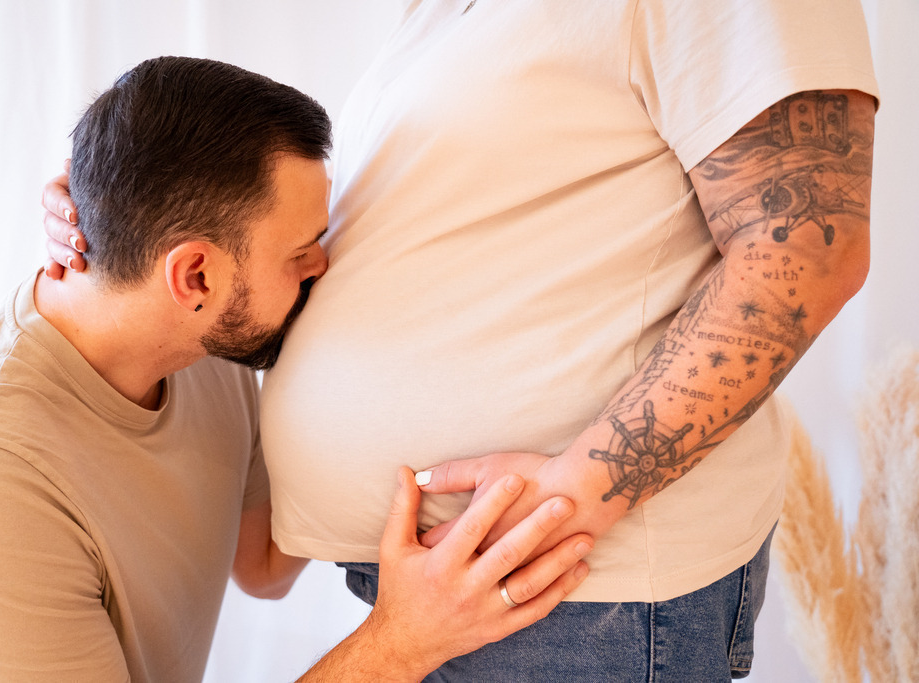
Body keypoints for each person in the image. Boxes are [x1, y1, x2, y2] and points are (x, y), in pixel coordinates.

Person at [44, 3, 880, 680]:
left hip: (572, 598)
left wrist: (572, 497)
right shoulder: (439, 21)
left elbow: (809, 245)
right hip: (454, 593)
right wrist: (130, 223)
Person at [0, 56, 596, 682]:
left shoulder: (199, 346)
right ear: (194, 274)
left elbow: (260, 562)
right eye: (301, 253)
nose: (322, 266)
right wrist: (404, 639)